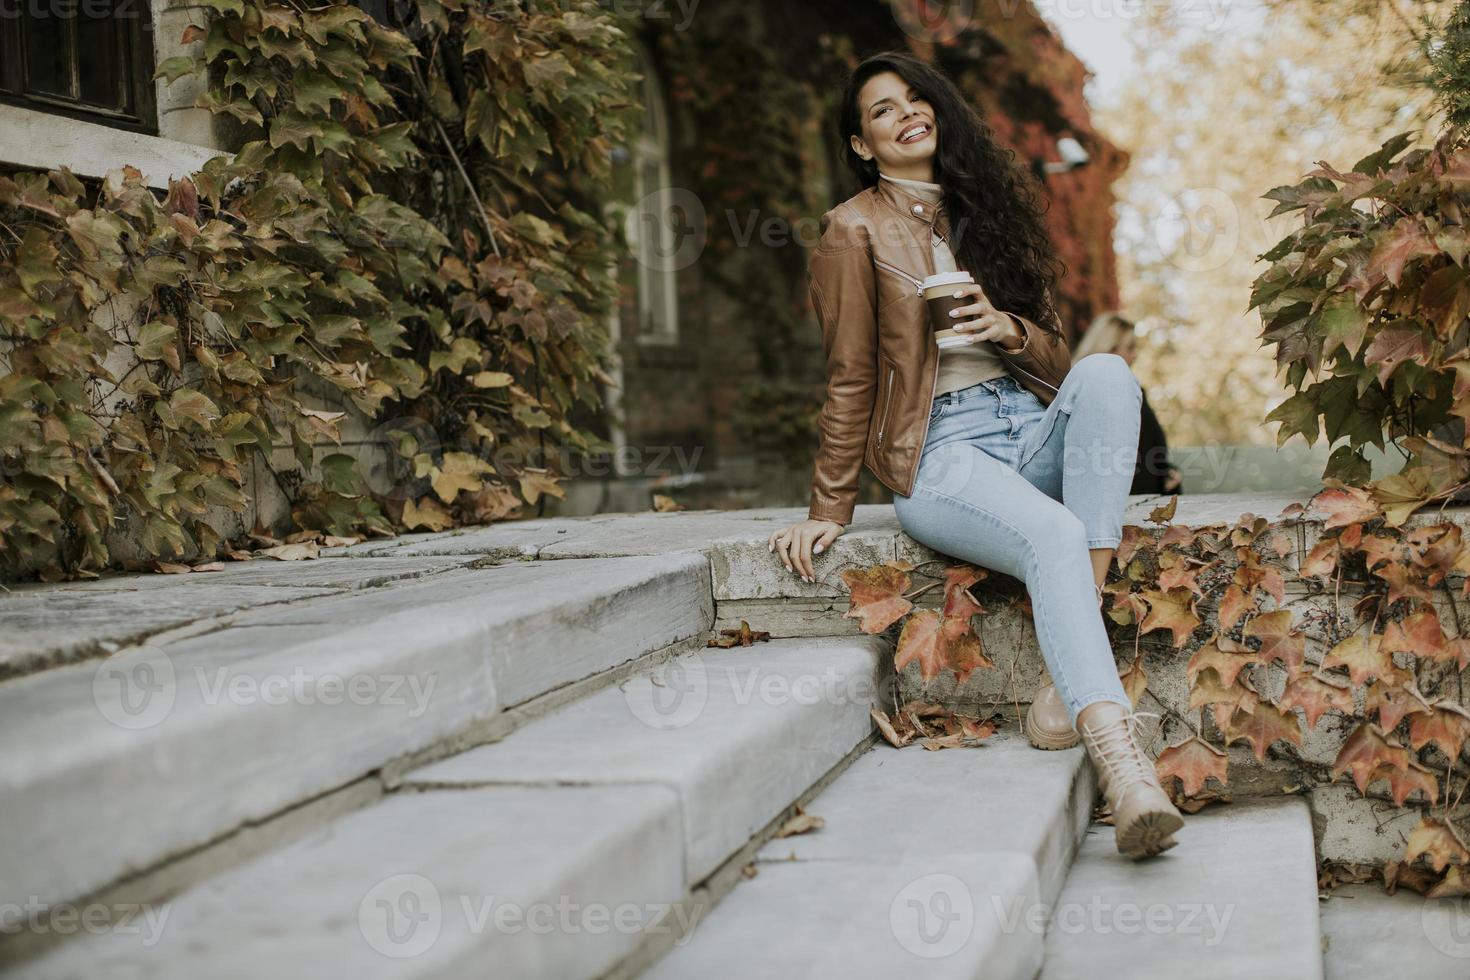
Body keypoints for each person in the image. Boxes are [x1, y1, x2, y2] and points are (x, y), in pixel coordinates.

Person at [767, 52, 1183, 858]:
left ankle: (1065, 679)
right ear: (862, 144)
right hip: (942, 454)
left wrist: (1007, 328)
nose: (906, 114)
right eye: (883, 110)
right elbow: (850, 375)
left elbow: (1058, 362)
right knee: (1055, 536)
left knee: (1107, 373)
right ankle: (1126, 774)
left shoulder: (986, 212)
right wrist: (827, 509)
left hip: (1023, 428)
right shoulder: (852, 229)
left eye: (916, 99)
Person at [1073, 313, 1183, 496]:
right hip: (1125, 506)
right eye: (1130, 348)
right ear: (1109, 348)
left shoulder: (1131, 392)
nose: (1135, 355)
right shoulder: (1103, 395)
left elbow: (1149, 453)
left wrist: (1165, 474)